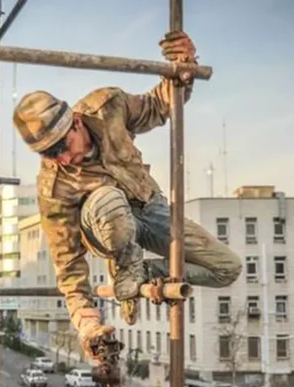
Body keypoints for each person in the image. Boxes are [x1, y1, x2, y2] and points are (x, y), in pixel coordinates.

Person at [12, 31, 242, 363]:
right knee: (107, 199)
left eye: (62, 146)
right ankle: (125, 262)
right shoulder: (54, 188)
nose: (61, 159)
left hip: (149, 207)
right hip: (105, 225)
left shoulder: (107, 108)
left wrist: (184, 67)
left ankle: (137, 274)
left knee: (227, 268)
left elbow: (159, 106)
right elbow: (69, 268)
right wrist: (89, 326)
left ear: (76, 122)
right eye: (49, 154)